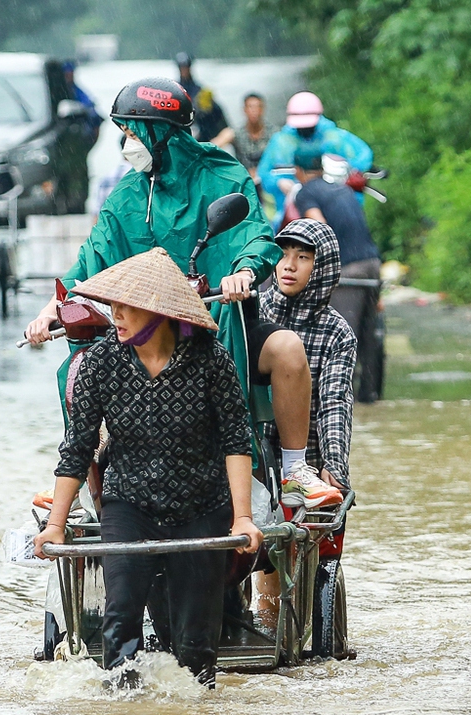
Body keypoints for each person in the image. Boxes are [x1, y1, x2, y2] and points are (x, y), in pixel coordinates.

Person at [23, 77, 342, 508]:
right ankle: (81, 479)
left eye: (134, 133)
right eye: (124, 133)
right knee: (80, 370)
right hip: (144, 335)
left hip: (217, 324)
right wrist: (50, 312)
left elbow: (256, 237)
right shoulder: (126, 195)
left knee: (287, 348)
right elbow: (88, 264)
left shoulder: (223, 175)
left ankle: (294, 468)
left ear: (162, 133)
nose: (127, 143)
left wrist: (243, 272)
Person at [33, 249, 263, 687]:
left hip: (201, 505)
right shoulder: (100, 363)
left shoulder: (210, 361)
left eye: (126, 307)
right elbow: (78, 447)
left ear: (158, 313)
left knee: (195, 643)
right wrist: (56, 525)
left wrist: (243, 517)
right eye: (112, 305)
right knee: (120, 621)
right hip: (129, 504)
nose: (114, 315)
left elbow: (237, 440)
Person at [264, 219, 355, 499]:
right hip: (253, 454)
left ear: (322, 267)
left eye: (302, 257)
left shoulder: (337, 333)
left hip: (309, 462)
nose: (289, 265)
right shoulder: (253, 312)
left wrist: (335, 464)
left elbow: (335, 402)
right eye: (283, 255)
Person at [290, 144, 383, 402]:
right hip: (372, 263)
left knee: (344, 335)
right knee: (368, 335)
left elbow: (320, 227)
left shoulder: (306, 192)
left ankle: (340, 401)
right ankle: (371, 396)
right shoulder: (340, 188)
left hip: (349, 269)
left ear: (298, 171)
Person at [258, 91, 373, 230]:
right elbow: (264, 173)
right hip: (290, 212)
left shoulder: (334, 137)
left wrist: (343, 173)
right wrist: (279, 182)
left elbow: (363, 156)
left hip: (334, 205)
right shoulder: (281, 142)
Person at [176, 53, 229, 144]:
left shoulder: (201, 92)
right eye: (182, 67)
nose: (184, 70)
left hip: (201, 135)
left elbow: (219, 117)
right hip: (180, 135)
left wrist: (208, 109)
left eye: (186, 67)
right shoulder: (174, 90)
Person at [231, 93, 274, 181]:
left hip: (268, 178)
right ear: (244, 110)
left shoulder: (274, 133)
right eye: (250, 107)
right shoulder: (235, 133)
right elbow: (213, 146)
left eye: (257, 107)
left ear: (262, 109)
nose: (254, 111)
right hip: (244, 179)